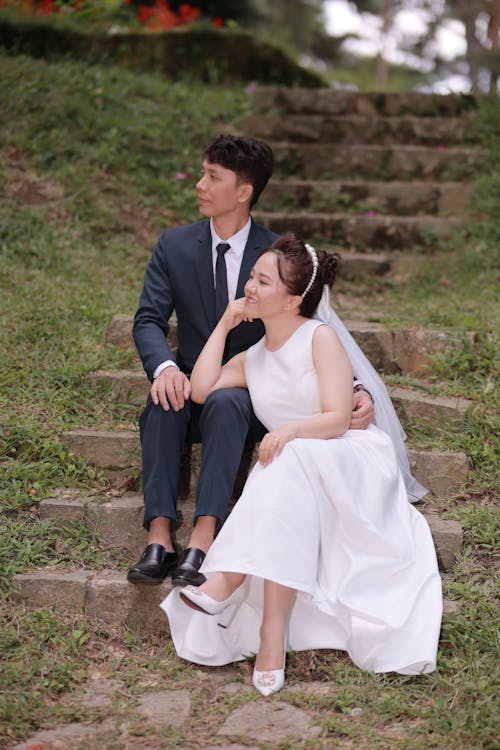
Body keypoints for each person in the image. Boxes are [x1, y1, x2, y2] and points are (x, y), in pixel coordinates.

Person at [161, 234, 442, 696]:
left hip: (350, 458)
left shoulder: (320, 337)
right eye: (252, 277)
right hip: (295, 466)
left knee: (283, 459)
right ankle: (270, 634)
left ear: (293, 300)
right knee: (283, 469)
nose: (250, 287)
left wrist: (288, 431)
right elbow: (200, 388)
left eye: (263, 282)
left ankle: (226, 581)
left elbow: (336, 418)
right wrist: (227, 321)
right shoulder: (254, 357)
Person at [127, 135, 375, 588]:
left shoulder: (276, 255)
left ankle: (204, 536)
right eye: (202, 173)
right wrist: (163, 368)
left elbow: (316, 327)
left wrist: (355, 388)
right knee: (165, 398)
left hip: (246, 390)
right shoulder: (175, 245)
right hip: (193, 375)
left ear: (243, 191)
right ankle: (159, 536)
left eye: (212, 176)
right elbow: (147, 319)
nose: (200, 184)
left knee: (228, 404)